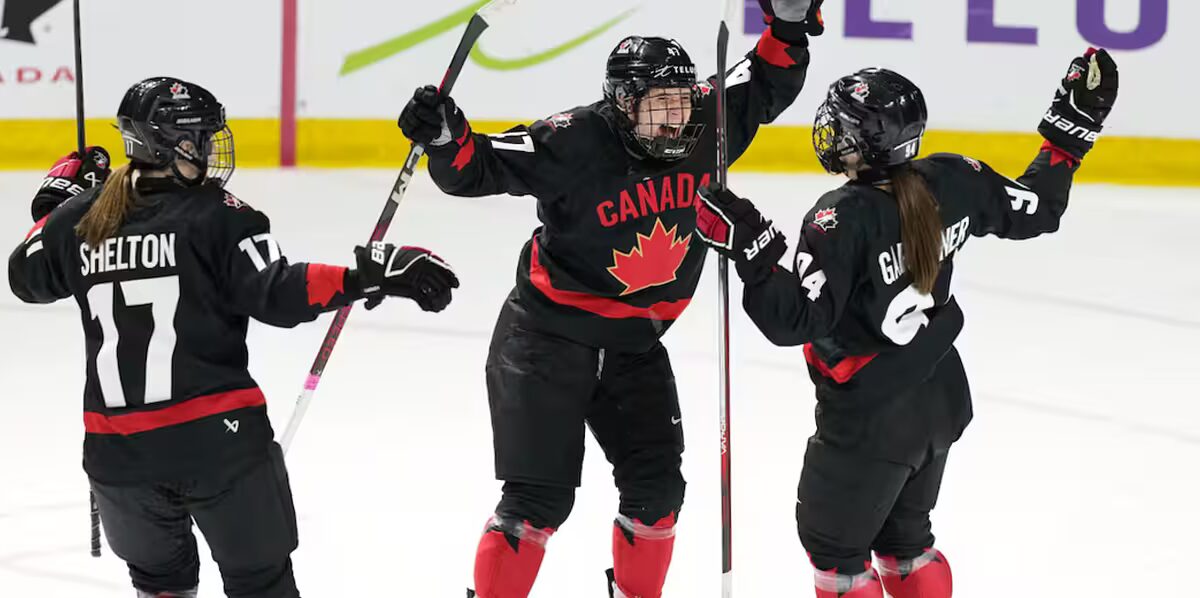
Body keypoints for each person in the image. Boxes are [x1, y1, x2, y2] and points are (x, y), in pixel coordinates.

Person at [397, 1, 825, 596]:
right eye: (659, 108)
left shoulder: (708, 124)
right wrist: (446, 137)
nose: (676, 122)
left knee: (657, 496)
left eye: (682, 104)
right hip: (546, 340)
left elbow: (767, 77)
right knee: (536, 502)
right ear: (623, 107)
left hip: (635, 346)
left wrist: (787, 22)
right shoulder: (573, 141)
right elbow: (480, 167)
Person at [8, 76, 459, 598]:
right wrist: (366, 276)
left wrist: (56, 205)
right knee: (262, 586)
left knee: (160, 587)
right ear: (167, 143)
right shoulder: (216, 215)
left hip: (118, 460)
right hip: (216, 448)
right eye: (198, 137)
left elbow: (26, 277)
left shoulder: (81, 220)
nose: (208, 148)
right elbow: (276, 293)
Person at [693, 49, 1119, 598]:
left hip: (870, 422)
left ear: (863, 141)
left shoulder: (839, 217)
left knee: (838, 558)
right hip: (938, 397)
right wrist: (1071, 129)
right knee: (906, 546)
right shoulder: (952, 178)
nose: (829, 131)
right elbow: (1037, 207)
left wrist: (750, 248)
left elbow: (796, 319)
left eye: (840, 123)